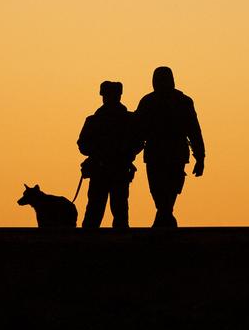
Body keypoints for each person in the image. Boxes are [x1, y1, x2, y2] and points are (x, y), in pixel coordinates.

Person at [134, 66, 205, 229]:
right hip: (160, 152)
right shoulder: (149, 102)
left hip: (169, 152)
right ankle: (165, 217)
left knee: (169, 188)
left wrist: (200, 157)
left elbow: (194, 131)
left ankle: (164, 217)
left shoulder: (181, 101)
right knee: (158, 189)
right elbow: (137, 130)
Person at [77, 80, 142, 229]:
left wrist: (100, 154)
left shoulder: (95, 120)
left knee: (97, 210)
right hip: (114, 169)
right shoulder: (128, 120)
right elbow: (138, 143)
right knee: (114, 211)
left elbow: (83, 145)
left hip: (107, 169)